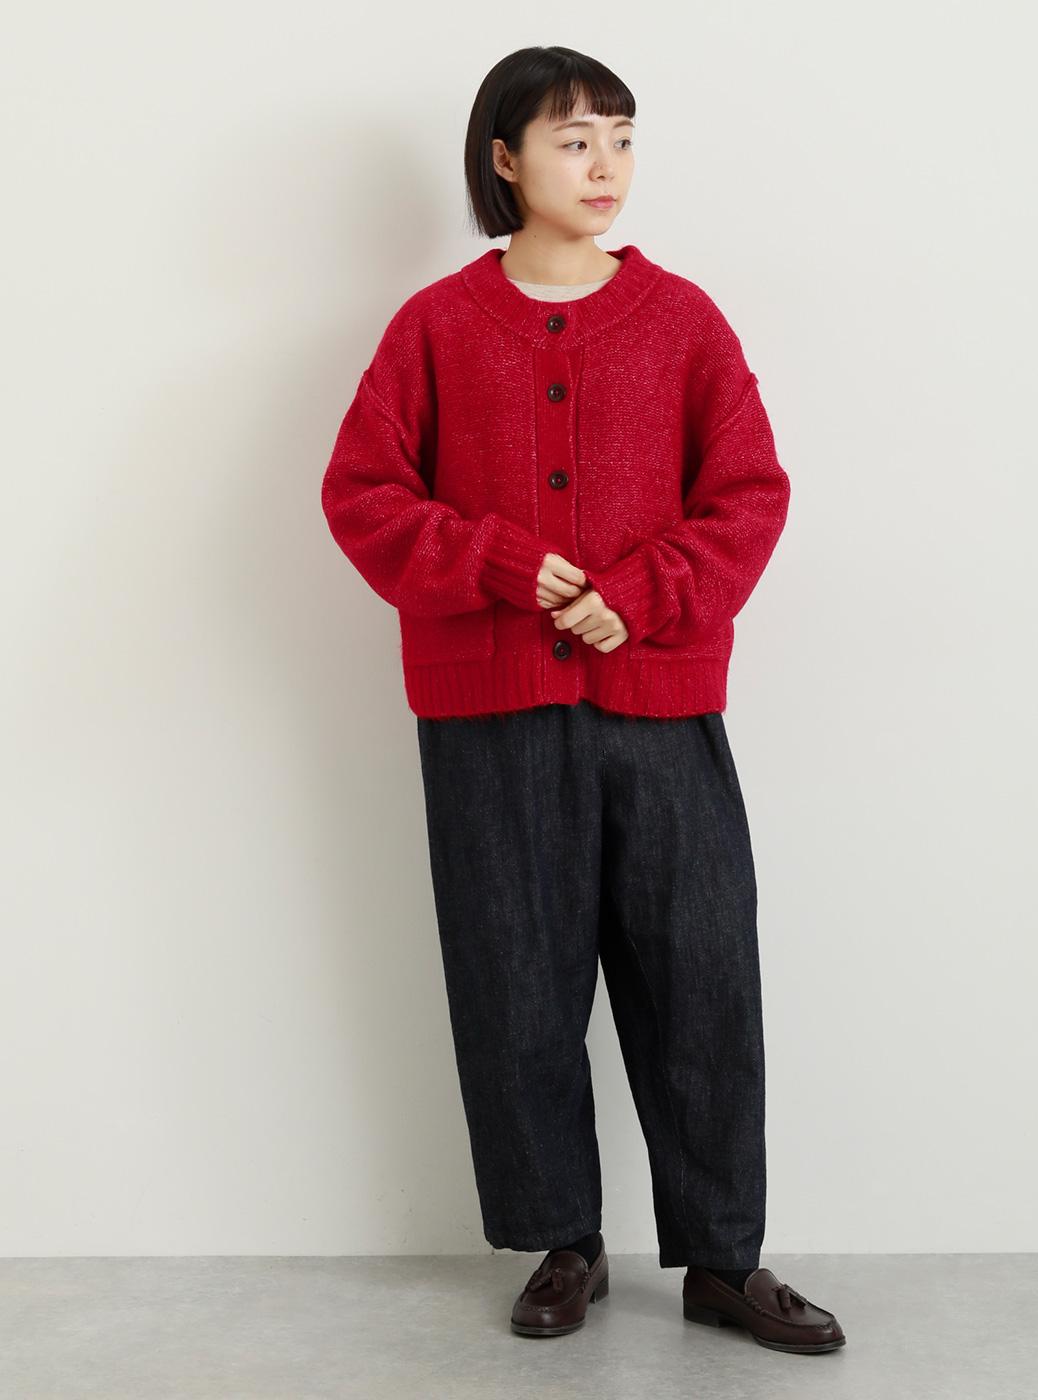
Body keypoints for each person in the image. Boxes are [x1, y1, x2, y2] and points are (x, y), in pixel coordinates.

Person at [321, 44, 846, 1355]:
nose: (604, 164)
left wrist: (650, 594)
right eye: (573, 140)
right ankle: (565, 1242)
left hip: (659, 706)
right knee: (516, 979)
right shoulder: (436, 327)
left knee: (701, 976)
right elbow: (364, 494)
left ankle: (723, 1259)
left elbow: (750, 493)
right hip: (489, 717)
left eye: (620, 136)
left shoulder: (681, 322)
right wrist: (501, 564)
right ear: (504, 160)